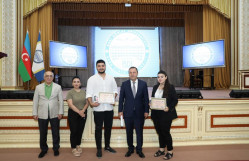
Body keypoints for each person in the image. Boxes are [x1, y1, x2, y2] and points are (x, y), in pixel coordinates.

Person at [86, 59, 118, 158]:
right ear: (96, 67)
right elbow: (89, 93)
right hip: (98, 109)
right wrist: (91, 103)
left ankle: (107, 146)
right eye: (99, 66)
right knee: (98, 129)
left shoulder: (111, 78)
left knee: (108, 128)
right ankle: (99, 149)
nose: (101, 67)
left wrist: (113, 98)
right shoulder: (91, 79)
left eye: (102, 66)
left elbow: (115, 91)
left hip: (109, 108)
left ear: (105, 67)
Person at [118, 66, 149, 158]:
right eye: (130, 72)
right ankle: (130, 149)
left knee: (139, 132)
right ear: (128, 74)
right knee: (129, 132)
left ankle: (139, 149)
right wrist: (120, 110)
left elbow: (146, 99)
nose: (132, 74)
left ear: (137, 73)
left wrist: (146, 111)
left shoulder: (143, 84)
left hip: (140, 113)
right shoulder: (124, 84)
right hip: (127, 113)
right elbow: (121, 99)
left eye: (134, 72)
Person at [32, 71, 64, 158]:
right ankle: (43, 150)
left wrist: (60, 112)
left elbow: (61, 101)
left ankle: (56, 149)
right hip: (42, 113)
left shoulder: (58, 87)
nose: (49, 77)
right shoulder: (38, 87)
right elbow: (35, 101)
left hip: (55, 113)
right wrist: (34, 113)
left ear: (53, 77)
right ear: (44, 77)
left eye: (50, 76)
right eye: (47, 76)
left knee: (55, 133)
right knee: (42, 133)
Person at [151, 70, 178, 160]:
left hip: (166, 114)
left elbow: (175, 100)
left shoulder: (170, 87)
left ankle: (170, 151)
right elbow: (153, 99)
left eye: (162, 76)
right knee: (160, 133)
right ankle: (161, 150)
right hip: (156, 114)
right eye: (158, 77)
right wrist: (151, 103)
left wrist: (169, 108)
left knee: (165, 133)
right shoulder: (155, 87)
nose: (160, 78)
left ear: (166, 77)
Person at [66, 76, 89, 157]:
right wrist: (79, 112)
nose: (76, 83)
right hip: (73, 113)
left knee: (80, 130)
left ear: (80, 83)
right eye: (75, 82)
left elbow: (87, 103)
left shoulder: (84, 92)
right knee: (74, 131)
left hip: (83, 112)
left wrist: (83, 111)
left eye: (78, 82)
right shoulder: (70, 92)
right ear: (72, 83)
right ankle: (73, 147)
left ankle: (78, 145)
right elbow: (70, 104)